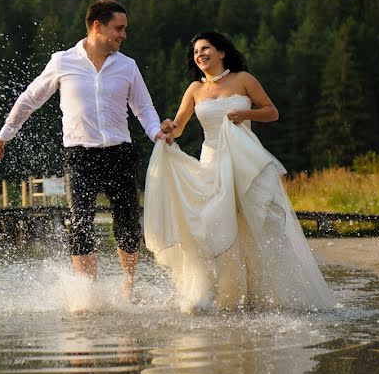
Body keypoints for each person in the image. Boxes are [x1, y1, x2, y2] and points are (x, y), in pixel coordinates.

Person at [0, 0, 167, 299]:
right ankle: (88, 294)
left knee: (126, 223)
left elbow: (144, 109)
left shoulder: (127, 66)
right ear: (98, 26)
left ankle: (128, 288)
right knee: (80, 221)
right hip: (79, 157)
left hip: (120, 153)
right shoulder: (62, 62)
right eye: (118, 29)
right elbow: (30, 98)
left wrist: (157, 134)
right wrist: (4, 135)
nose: (123, 35)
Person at [144, 31, 336, 311]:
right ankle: (223, 294)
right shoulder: (195, 89)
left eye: (206, 48)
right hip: (211, 163)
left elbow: (272, 112)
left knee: (254, 224)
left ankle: (263, 295)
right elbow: (180, 128)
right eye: (196, 52)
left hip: (244, 163)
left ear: (222, 52)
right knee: (217, 225)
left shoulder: (243, 80)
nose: (200, 55)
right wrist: (167, 129)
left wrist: (246, 114)